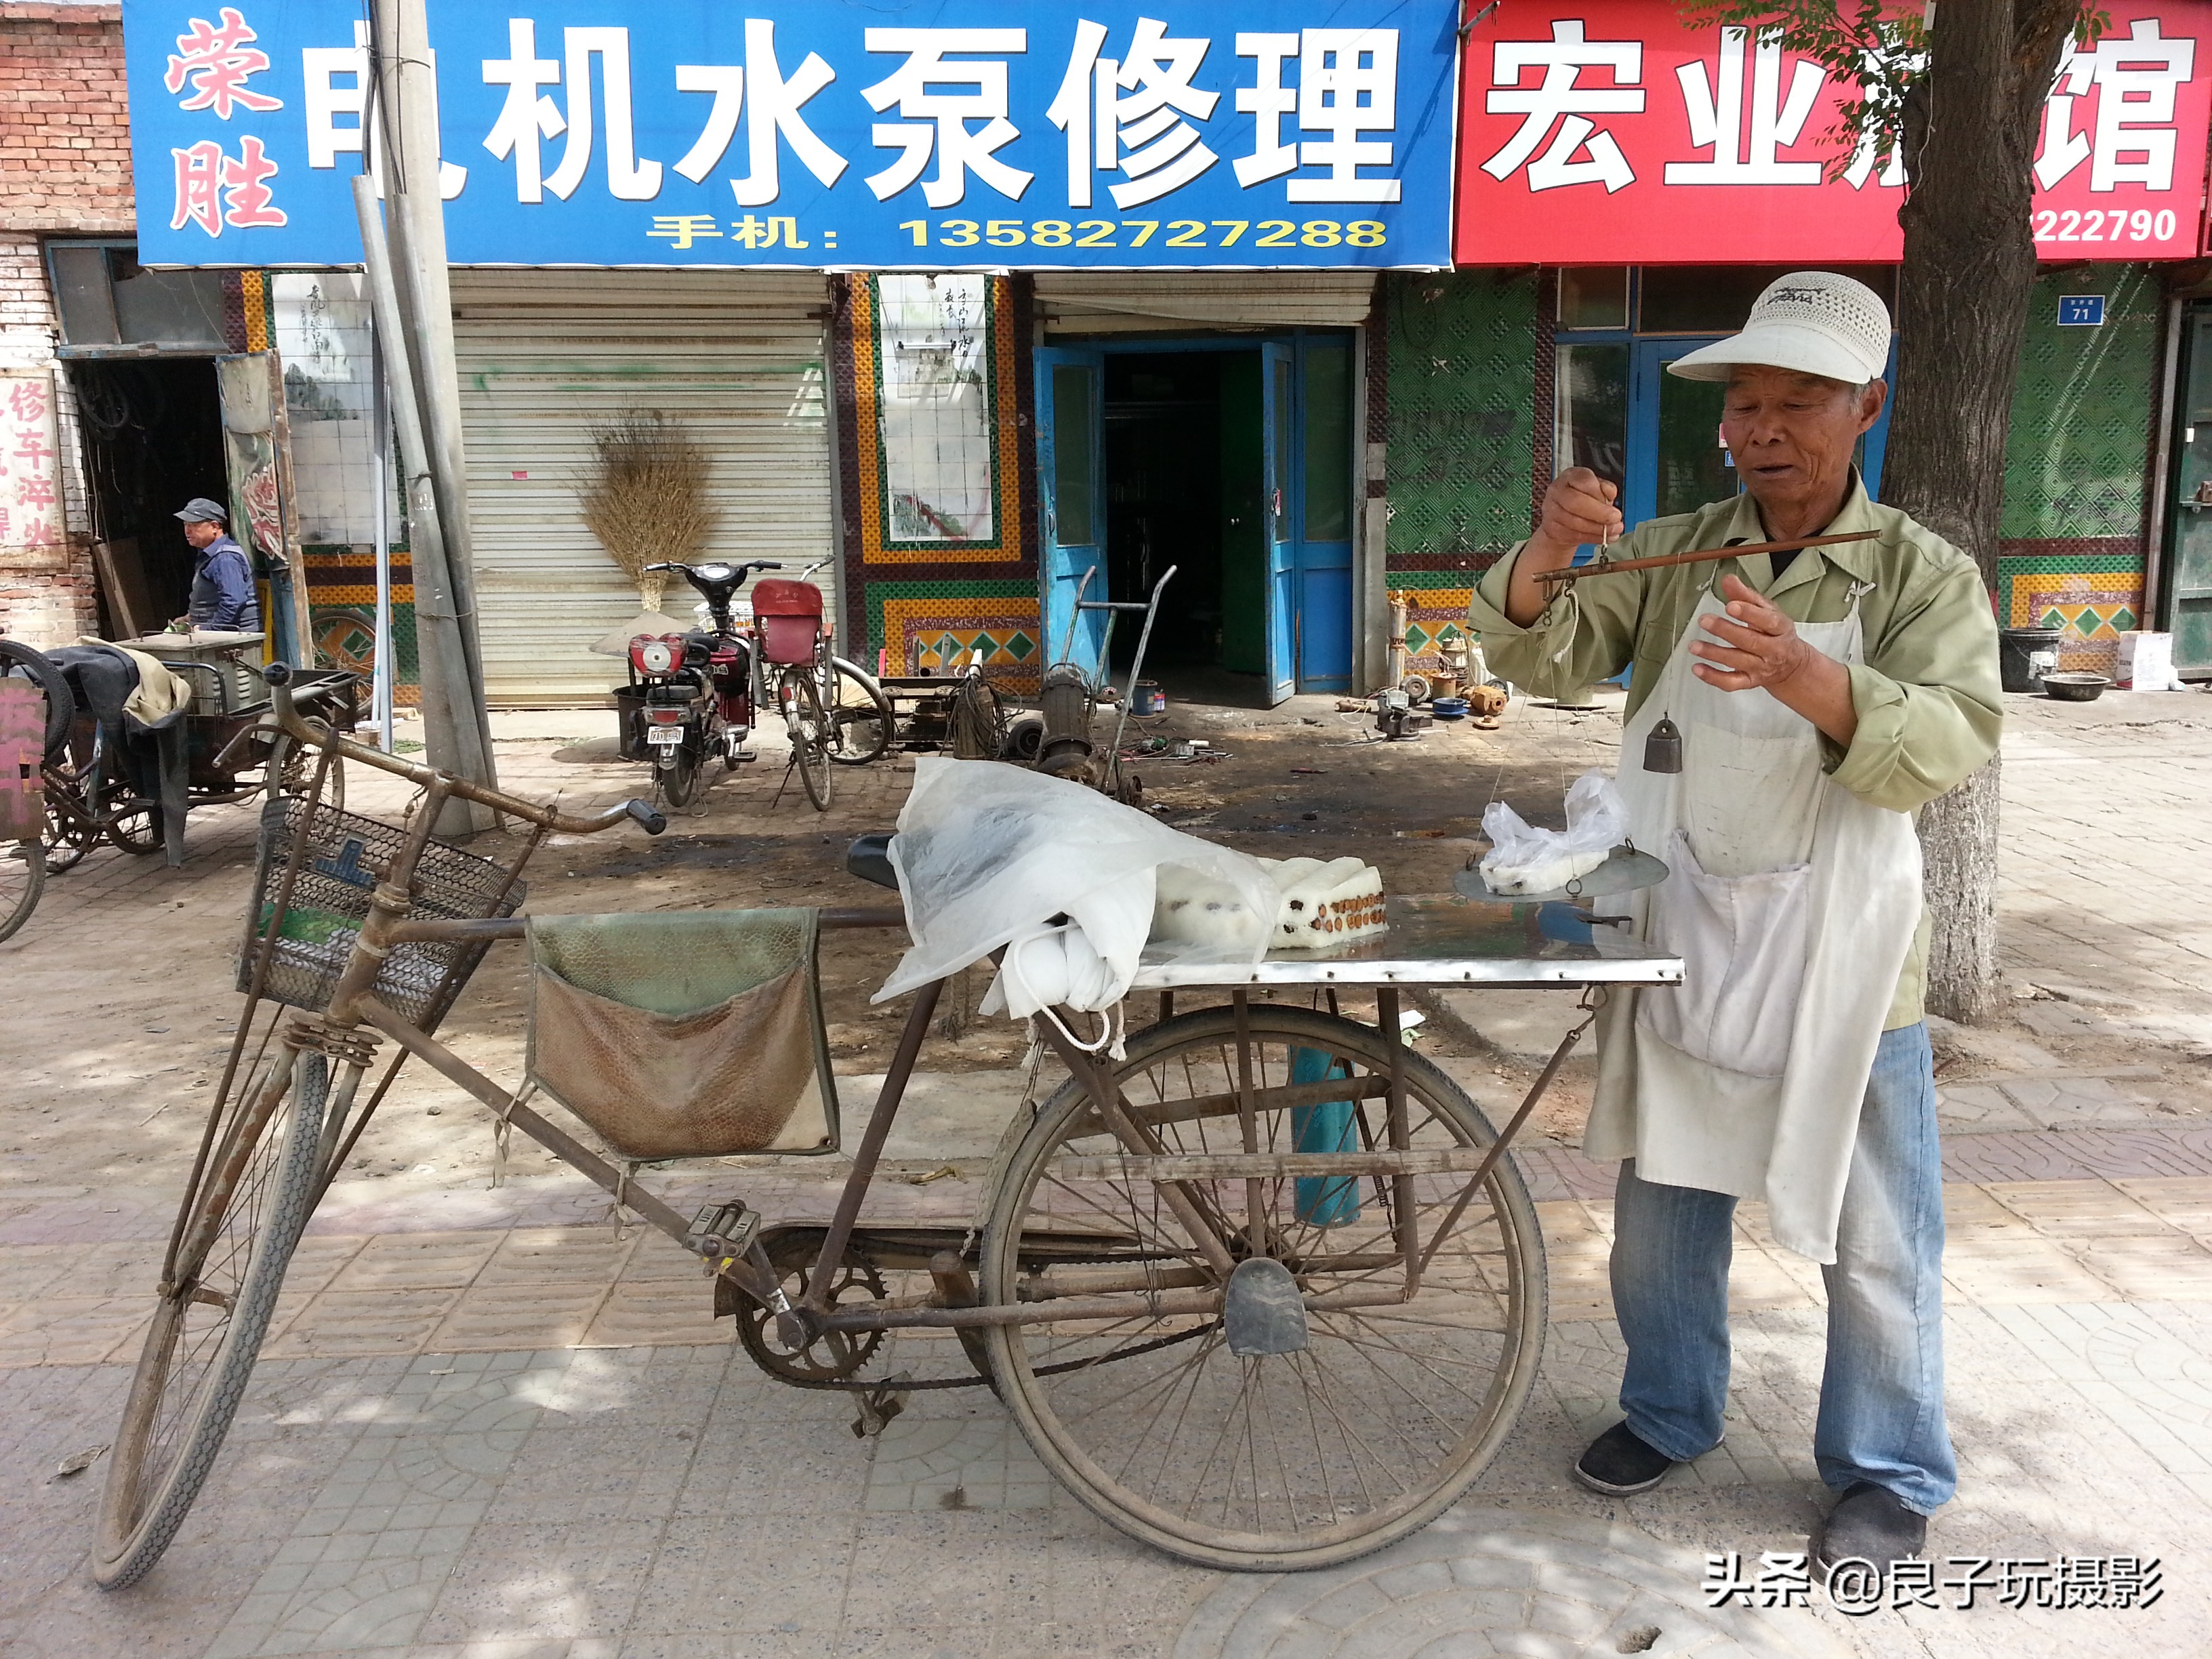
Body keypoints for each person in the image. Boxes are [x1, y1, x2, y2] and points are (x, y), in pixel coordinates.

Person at [1469, 272, 2001, 1573]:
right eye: (1744, 404)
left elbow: (1948, 741)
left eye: (1798, 401)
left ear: (1864, 407)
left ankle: (1883, 1469)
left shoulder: (1920, 573)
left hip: (1844, 952)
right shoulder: (1672, 552)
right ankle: (1668, 1408)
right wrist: (1547, 554)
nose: (1763, 427)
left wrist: (1808, 674)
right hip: (1686, 925)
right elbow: (1534, 655)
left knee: (1875, 1232)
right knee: (1661, 1209)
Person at [173, 496, 260, 634]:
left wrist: (209, 628)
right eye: (186, 524)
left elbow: (233, 602)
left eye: (194, 525)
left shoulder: (225, 558)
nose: (187, 531)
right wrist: (190, 618)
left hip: (235, 636)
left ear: (214, 526)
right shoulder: (210, 554)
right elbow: (212, 601)